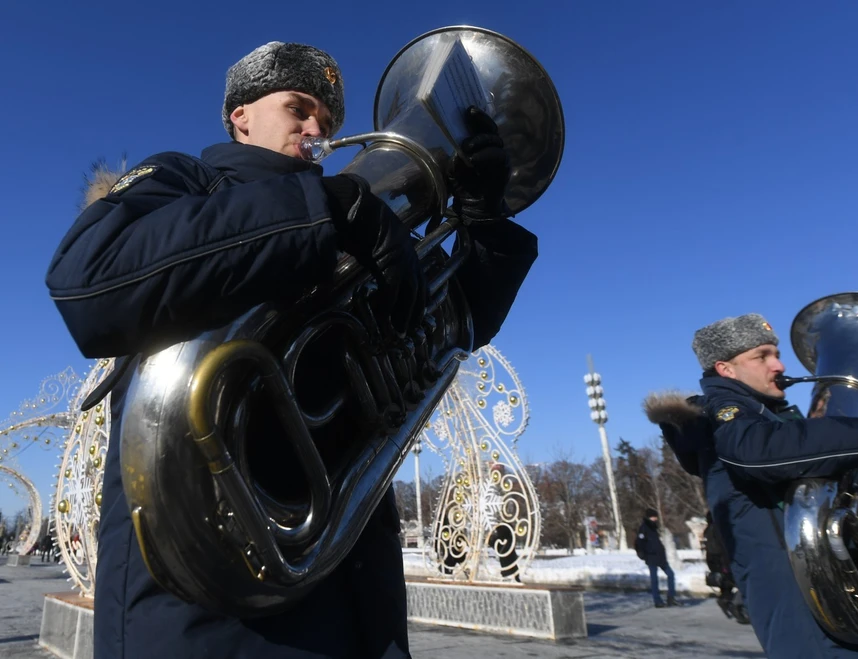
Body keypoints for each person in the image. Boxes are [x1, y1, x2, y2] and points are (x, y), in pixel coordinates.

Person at [45, 41, 538, 659]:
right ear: (239, 114)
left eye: (327, 122)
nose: (316, 129)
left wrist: (482, 223)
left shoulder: (363, 222)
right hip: (204, 617)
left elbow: (457, 328)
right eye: (298, 108)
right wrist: (318, 210)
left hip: (350, 596)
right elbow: (88, 279)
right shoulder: (184, 182)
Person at [644, 313, 858, 658]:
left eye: (776, 353)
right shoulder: (722, 413)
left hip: (845, 598)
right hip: (811, 614)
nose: (780, 365)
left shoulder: (771, 416)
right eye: (762, 356)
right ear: (726, 369)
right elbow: (757, 453)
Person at [635, 508, 678, 608]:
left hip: (660, 556)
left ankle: (671, 597)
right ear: (649, 517)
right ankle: (657, 600)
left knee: (671, 574)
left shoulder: (654, 527)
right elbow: (639, 543)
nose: (655, 519)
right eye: (654, 517)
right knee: (654, 580)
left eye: (656, 517)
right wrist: (643, 554)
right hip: (651, 557)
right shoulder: (644, 527)